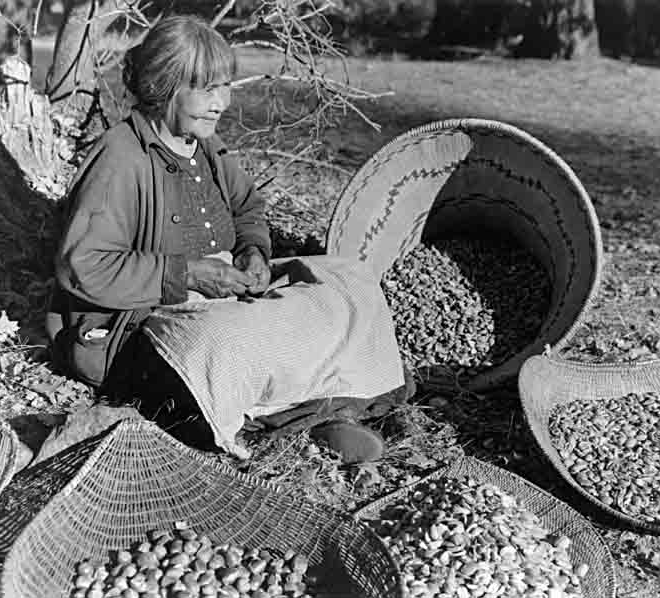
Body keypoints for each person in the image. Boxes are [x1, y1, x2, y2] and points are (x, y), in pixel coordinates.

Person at [46, 15, 413, 463]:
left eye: (225, 87)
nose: (221, 102)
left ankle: (329, 407)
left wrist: (253, 252)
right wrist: (187, 274)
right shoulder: (120, 158)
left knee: (349, 282)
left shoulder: (207, 147)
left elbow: (247, 210)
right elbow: (82, 265)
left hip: (222, 294)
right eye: (207, 89)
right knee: (222, 342)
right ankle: (301, 417)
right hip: (140, 323)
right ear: (164, 86)